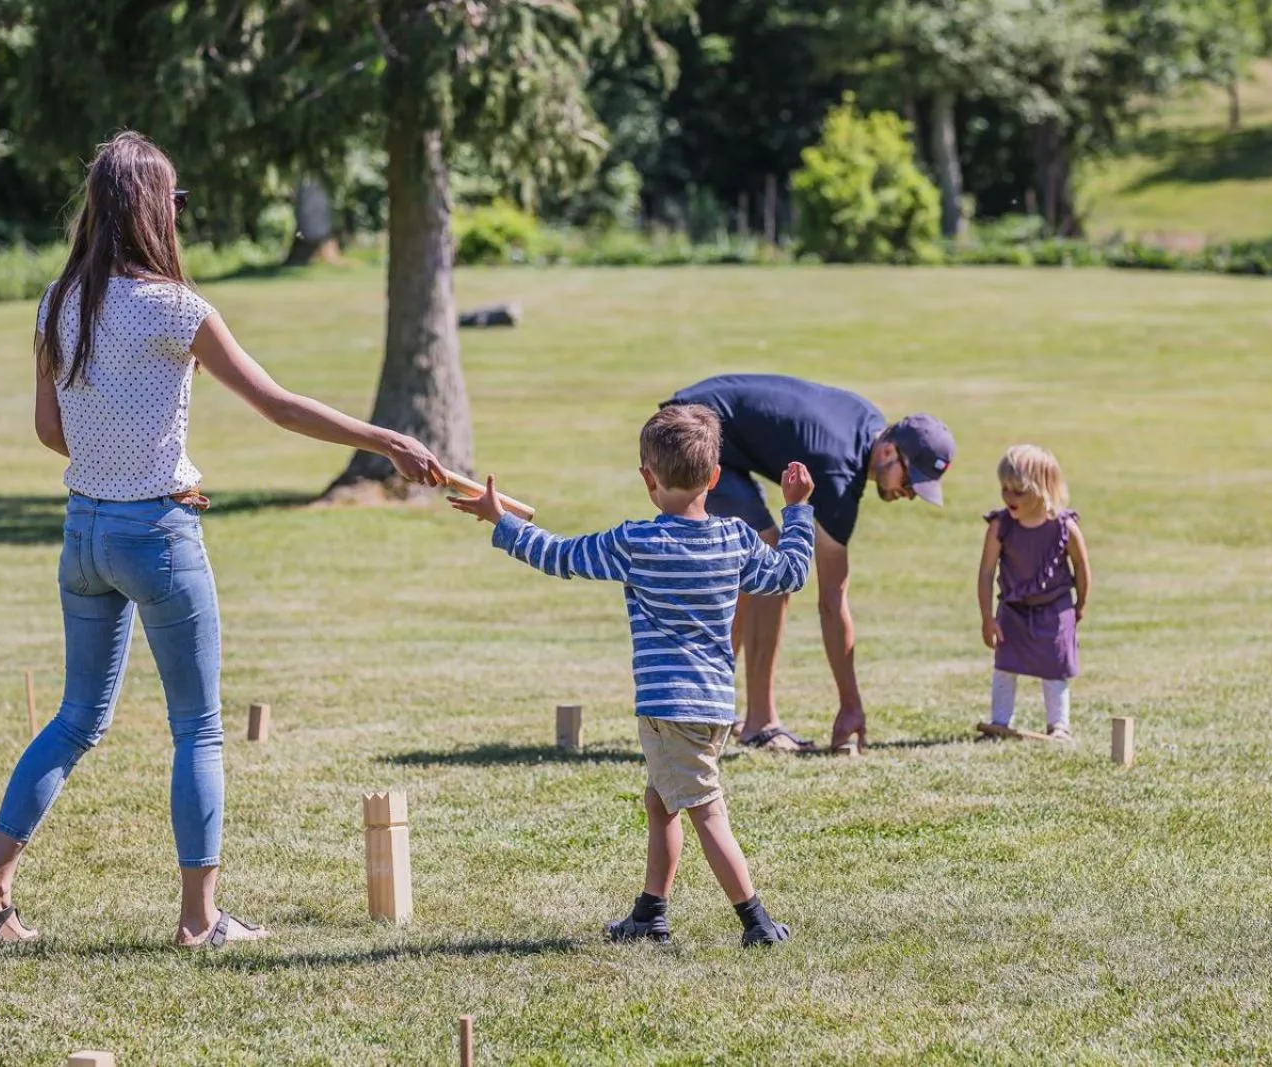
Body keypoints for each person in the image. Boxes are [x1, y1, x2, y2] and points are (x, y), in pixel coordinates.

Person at [0, 131, 445, 949]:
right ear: (153, 209)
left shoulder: (56, 301)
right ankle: (199, 919)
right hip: (160, 532)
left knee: (75, 718)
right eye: (174, 201)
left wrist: (114, 456)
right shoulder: (179, 308)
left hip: (84, 535)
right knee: (198, 728)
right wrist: (386, 438)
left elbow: (50, 429)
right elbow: (279, 406)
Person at [450, 404, 813, 946]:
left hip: (669, 709)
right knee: (662, 798)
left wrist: (500, 521)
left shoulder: (634, 543)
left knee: (705, 811)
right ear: (714, 477)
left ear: (648, 479)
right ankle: (649, 913)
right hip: (714, 706)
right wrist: (797, 511)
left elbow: (560, 555)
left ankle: (756, 921)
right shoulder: (736, 539)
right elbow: (790, 573)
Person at [664, 374, 954, 754]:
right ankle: (759, 724)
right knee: (769, 563)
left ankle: (701, 710)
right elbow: (832, 603)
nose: (911, 495)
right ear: (887, 453)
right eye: (912, 481)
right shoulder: (837, 473)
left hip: (696, 424)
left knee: (754, 569)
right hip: (688, 433)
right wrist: (851, 706)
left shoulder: (869, 423)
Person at [978, 445, 1090, 740]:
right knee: (1005, 665)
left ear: (1044, 489)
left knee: (1055, 666)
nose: (1009, 498)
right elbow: (987, 571)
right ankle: (999, 722)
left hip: (1055, 607)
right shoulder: (1000, 526)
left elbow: (1080, 566)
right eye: (1004, 489)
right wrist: (987, 618)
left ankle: (1059, 725)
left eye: (1019, 491)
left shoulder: (1064, 527)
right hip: (1014, 607)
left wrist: (1081, 604)